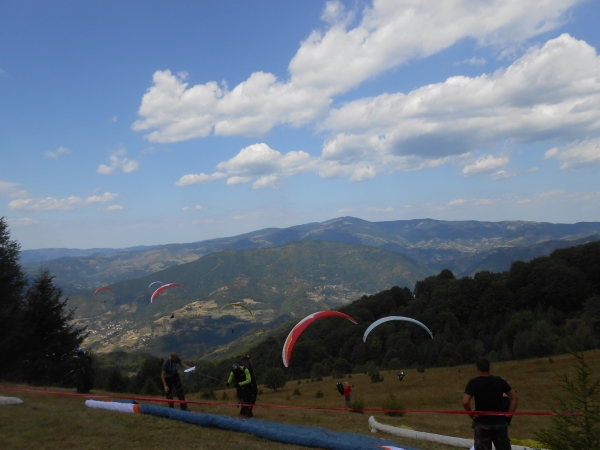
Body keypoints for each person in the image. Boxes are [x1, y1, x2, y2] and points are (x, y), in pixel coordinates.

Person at [462, 357, 518, 450]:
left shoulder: (473, 383)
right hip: (500, 423)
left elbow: (465, 402)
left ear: (477, 368)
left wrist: (471, 413)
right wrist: (509, 413)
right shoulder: (500, 381)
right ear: (489, 367)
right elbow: (514, 397)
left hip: (482, 423)